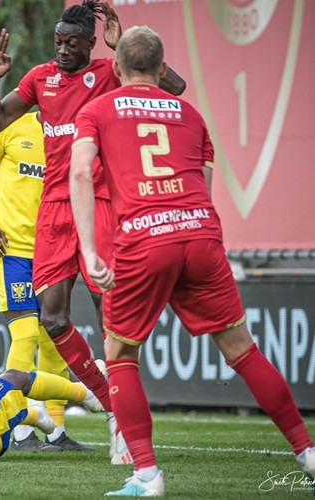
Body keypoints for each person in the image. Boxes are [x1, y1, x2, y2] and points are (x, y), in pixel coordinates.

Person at [70, 25, 315, 497]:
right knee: (243, 350)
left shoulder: (98, 109)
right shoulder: (191, 114)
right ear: (163, 69)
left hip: (144, 239)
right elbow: (203, 185)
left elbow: (80, 172)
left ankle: (147, 476)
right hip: (200, 233)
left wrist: (91, 250)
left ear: (116, 68)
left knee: (120, 354)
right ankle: (307, 451)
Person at [0, 0, 184, 464]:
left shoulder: (110, 72)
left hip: (99, 204)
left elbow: (174, 88)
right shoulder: (40, 78)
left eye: (73, 43)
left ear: (91, 44)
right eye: (58, 42)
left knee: (109, 314)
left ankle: (123, 418)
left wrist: (121, 47)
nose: (63, 50)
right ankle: (110, 403)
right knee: (52, 319)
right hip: (54, 210)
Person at [0, 111, 95, 452]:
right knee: (25, 335)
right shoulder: (10, 126)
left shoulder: (79, 134)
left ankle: (56, 430)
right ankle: (20, 428)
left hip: (54, 250)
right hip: (10, 249)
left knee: (54, 337)